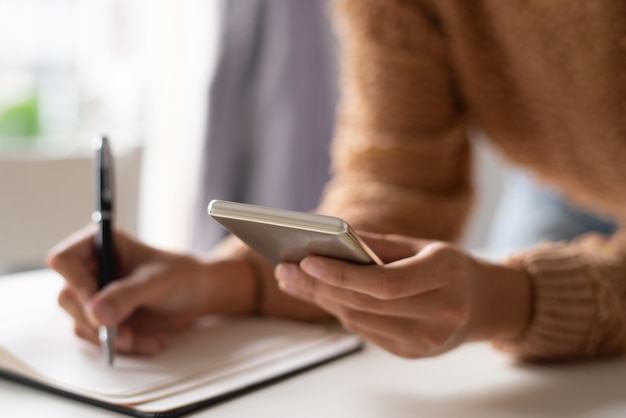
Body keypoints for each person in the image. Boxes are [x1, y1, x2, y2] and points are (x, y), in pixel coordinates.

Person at [48, 0, 626, 361]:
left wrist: (514, 299)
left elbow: (507, 296)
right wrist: (221, 281)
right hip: (566, 178)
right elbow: (397, 186)